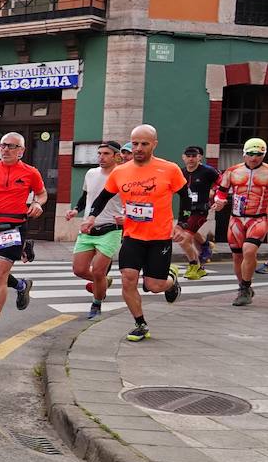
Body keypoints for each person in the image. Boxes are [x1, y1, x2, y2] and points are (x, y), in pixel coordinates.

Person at [81, 124, 183, 341]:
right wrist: (91, 216)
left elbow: (188, 196)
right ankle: (140, 324)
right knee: (128, 279)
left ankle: (171, 281)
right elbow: (102, 198)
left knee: (153, 286)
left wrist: (183, 224)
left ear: (154, 144)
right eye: (135, 143)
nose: (138, 148)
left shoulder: (170, 169)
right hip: (131, 235)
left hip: (159, 237)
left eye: (144, 144)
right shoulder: (120, 171)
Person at [0, 133, 46, 341]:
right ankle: (21, 285)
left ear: (21, 151)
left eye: (11, 146)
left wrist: (37, 203)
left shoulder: (30, 172)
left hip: (14, 227)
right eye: (3, 145)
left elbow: (42, 193)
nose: (5, 150)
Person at [65, 141, 124, 320]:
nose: (101, 157)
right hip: (88, 228)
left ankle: (96, 305)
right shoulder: (91, 173)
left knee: (98, 271)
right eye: (99, 154)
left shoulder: (122, 175)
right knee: (79, 269)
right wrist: (76, 209)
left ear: (116, 156)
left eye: (106, 154)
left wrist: (126, 216)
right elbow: (86, 196)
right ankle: (103, 283)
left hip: (111, 229)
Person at [210, 138, 268, 306]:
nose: (254, 158)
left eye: (258, 154)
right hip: (235, 218)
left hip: (258, 218)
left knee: (249, 251)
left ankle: (245, 288)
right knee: (237, 256)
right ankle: (243, 287)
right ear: (244, 154)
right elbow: (221, 192)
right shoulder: (232, 171)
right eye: (250, 154)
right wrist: (220, 202)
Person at [177, 145, 220, 279]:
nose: (191, 159)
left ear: (199, 157)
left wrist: (217, 196)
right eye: (188, 156)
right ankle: (199, 265)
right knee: (187, 238)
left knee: (184, 240)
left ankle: (194, 266)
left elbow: (223, 183)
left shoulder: (208, 171)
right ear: (183, 157)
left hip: (200, 210)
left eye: (194, 156)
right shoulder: (181, 172)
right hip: (185, 211)